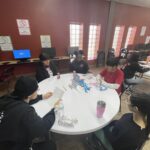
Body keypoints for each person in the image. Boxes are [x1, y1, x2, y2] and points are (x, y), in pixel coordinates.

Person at [0, 76, 59, 150]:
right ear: (29, 95)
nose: (38, 91)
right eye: (37, 90)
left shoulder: (6, 97)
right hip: (13, 146)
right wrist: (53, 110)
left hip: (4, 140)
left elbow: (23, 99)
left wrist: (41, 97)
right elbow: (42, 128)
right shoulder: (25, 111)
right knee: (51, 146)